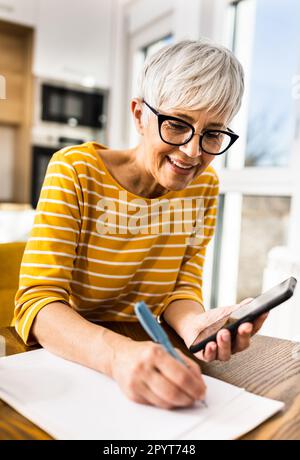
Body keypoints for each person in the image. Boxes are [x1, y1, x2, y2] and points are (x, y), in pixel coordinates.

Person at [13, 39, 268, 410]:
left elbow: (181, 289)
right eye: (177, 125)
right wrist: (118, 356)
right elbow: (37, 303)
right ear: (138, 115)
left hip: (143, 360)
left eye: (212, 134)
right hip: (72, 361)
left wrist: (196, 326)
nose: (192, 152)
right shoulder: (75, 172)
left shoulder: (204, 188)